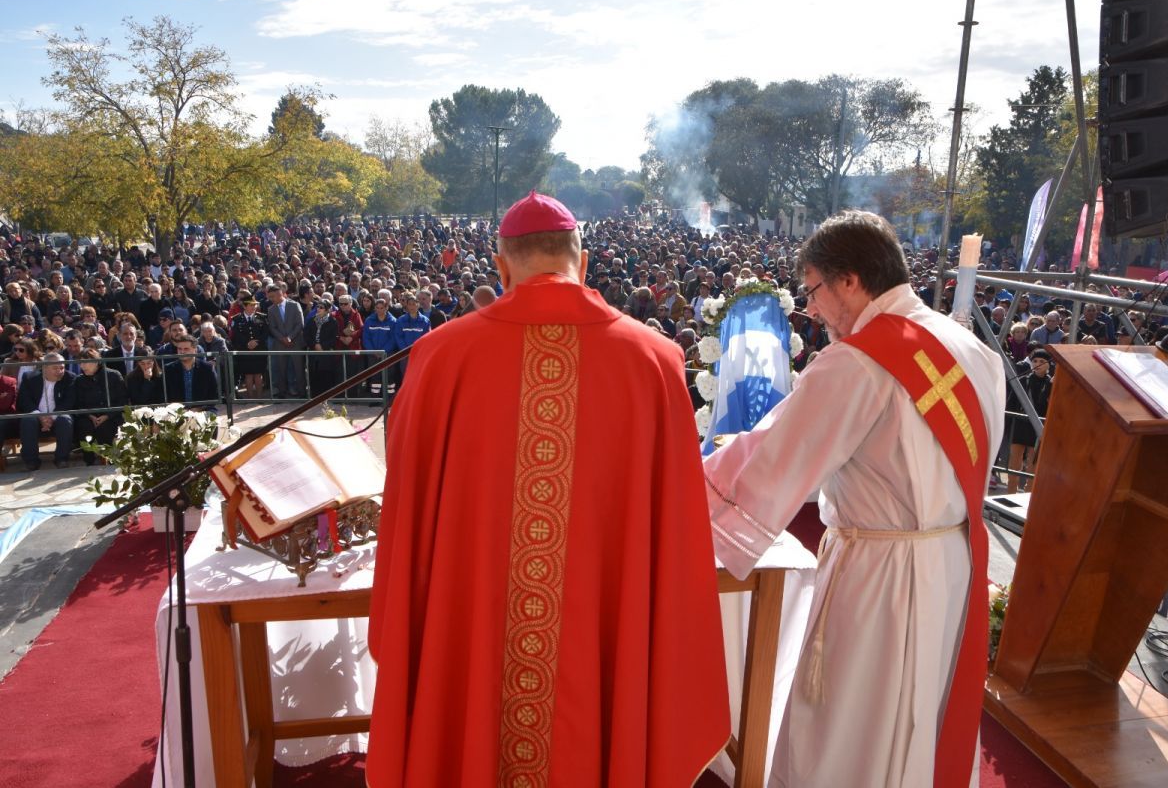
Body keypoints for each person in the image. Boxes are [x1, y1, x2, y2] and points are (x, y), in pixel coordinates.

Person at [367, 192, 729, 787]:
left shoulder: (438, 357)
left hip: (473, 616)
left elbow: (408, 509)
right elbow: (678, 528)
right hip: (602, 620)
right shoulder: (655, 360)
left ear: (501, 267)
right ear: (582, 264)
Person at [703, 210, 1005, 786]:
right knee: (920, 714)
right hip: (950, 566)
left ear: (849, 280)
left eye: (812, 289)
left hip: (880, 577)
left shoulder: (860, 361)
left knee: (851, 720)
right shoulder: (968, 348)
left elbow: (771, 459)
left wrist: (681, 487)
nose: (810, 308)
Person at [17, 352, 77, 470]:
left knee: (65, 420)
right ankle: (31, 462)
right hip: (36, 414)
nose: (60, 371)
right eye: (55, 368)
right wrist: (40, 416)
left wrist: (52, 417)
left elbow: (69, 402)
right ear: (44, 367)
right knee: (28, 420)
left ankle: (61, 459)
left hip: (58, 414)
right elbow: (24, 401)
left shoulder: (70, 378)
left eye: (62, 368)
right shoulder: (29, 377)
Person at [1006, 349, 1052, 492]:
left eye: (1042, 362)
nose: (1037, 364)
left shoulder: (1052, 383)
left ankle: (1027, 497)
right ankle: (1010, 494)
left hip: (1038, 429)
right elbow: (1011, 405)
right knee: (1014, 465)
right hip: (1020, 426)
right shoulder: (1022, 380)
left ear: (1048, 365)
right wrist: (1007, 428)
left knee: (1033, 467)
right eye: (1035, 361)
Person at [73, 347, 128, 464]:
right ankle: (89, 460)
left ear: (96, 362)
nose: (82, 366)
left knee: (106, 428)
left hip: (111, 415)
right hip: (89, 416)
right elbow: (78, 402)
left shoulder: (113, 375)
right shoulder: (79, 380)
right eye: (80, 363)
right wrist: (90, 415)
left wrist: (107, 415)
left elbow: (122, 400)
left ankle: (110, 459)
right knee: (84, 426)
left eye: (85, 362)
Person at [265, 284, 306, 398]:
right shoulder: (271, 309)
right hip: (280, 344)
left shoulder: (294, 305)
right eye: (269, 297)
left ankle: (302, 393)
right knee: (281, 370)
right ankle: (282, 392)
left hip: (296, 342)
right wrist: (282, 339)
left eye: (272, 296)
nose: (270, 299)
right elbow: (272, 327)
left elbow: (300, 324)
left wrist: (290, 337)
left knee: (299, 370)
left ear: (279, 294)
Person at [164, 335, 220, 411]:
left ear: (195, 350)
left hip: (204, 410)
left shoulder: (207, 368)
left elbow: (215, 393)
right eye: (179, 349)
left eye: (186, 349)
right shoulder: (169, 369)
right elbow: (165, 395)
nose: (182, 352)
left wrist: (200, 408)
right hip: (176, 412)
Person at [230, 295, 269, 399]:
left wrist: (257, 342)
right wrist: (247, 343)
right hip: (244, 349)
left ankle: (259, 397)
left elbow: (265, 332)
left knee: (258, 373)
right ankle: (251, 397)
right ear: (244, 306)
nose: (254, 307)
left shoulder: (262, 317)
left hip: (259, 348)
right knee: (248, 374)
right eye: (251, 305)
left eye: (255, 305)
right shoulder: (237, 319)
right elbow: (236, 334)